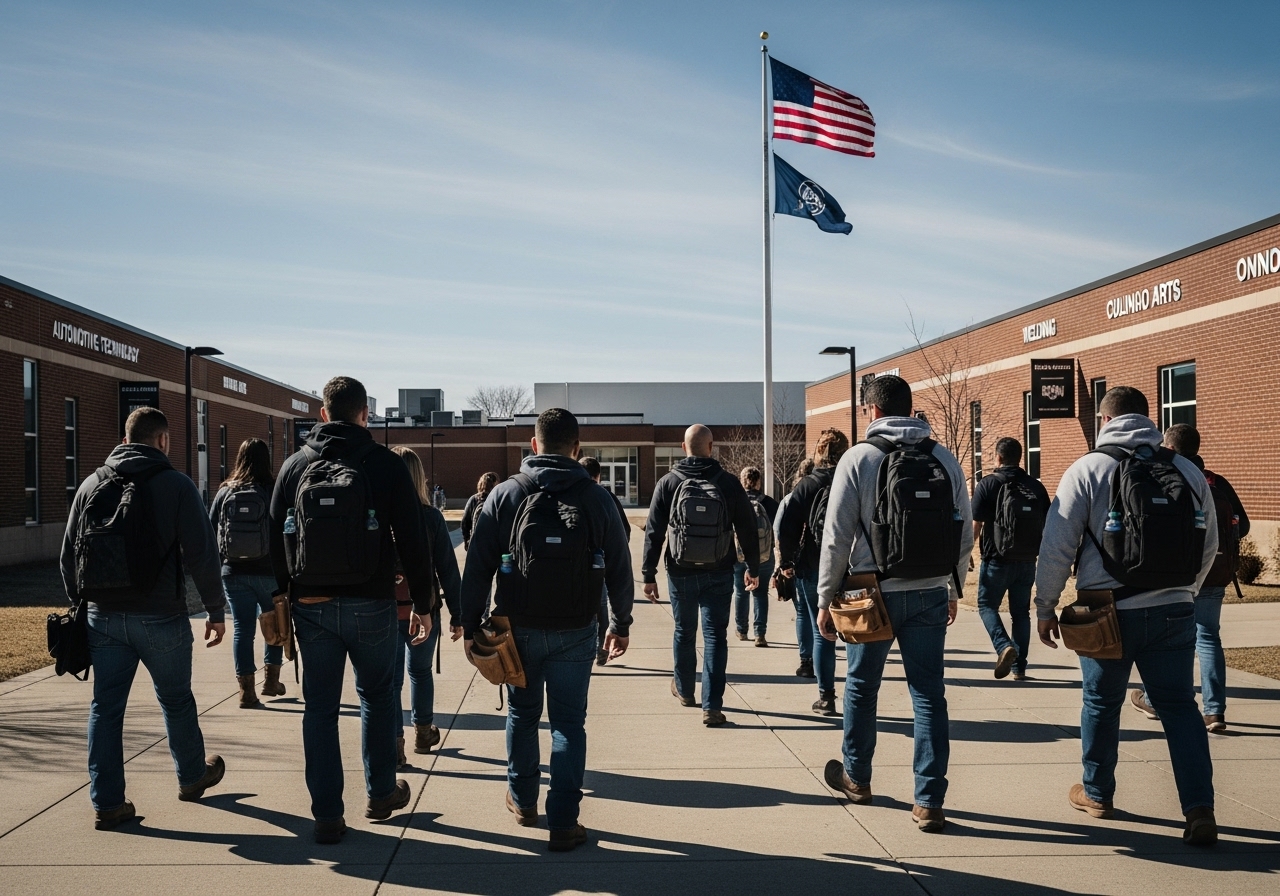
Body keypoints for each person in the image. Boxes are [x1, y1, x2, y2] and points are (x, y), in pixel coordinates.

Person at [1035, 386, 1219, 845]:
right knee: (1179, 708)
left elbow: (1057, 545)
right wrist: (1186, 591)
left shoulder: (1088, 469)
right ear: (1148, 418)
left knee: (1101, 703)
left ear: (1103, 419)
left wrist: (1045, 606)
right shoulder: (1184, 469)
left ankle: (1097, 793)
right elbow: (1209, 542)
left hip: (1105, 610)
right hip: (1173, 608)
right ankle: (1199, 809)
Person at [270, 376, 437, 844]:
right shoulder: (385, 465)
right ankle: (381, 793)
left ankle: (326, 814)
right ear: (365, 414)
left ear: (323, 414)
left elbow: (273, 536)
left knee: (319, 709)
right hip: (372, 602)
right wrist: (423, 604)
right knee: (378, 697)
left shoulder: (295, 466)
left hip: (311, 604)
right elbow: (413, 540)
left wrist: (282, 595)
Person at [461, 408, 634, 852]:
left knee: (521, 714)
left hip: (517, 627)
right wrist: (620, 622)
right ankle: (564, 820)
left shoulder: (505, 494)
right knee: (568, 725)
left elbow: (478, 565)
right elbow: (619, 565)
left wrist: (470, 623)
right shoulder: (596, 498)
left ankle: (522, 800)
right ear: (577, 449)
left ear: (533, 445)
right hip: (576, 628)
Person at [816, 375, 972, 833]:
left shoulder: (858, 458)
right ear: (909, 407)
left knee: (862, 688)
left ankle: (857, 777)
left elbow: (836, 536)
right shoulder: (943, 458)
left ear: (872, 411)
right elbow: (963, 530)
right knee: (928, 695)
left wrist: (826, 597)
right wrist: (953, 586)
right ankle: (929, 800)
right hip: (927, 590)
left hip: (870, 592)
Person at [61, 406, 228, 830]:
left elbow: (68, 558)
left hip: (103, 618)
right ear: (163, 441)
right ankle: (191, 776)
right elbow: (202, 554)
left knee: (106, 708)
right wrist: (214, 609)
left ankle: (107, 802)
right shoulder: (176, 485)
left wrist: (82, 606)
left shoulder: (90, 484)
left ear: (124, 439)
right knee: (175, 700)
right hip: (161, 617)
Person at [1130, 423, 1248, 733]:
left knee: (1162, 640)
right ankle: (1214, 712)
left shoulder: (1166, 476)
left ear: (1168, 446)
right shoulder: (1216, 482)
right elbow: (1243, 525)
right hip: (1214, 574)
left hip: (1176, 575)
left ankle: (1155, 699)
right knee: (1208, 638)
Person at [642, 424, 761, 727]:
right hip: (720, 569)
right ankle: (713, 706)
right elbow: (748, 526)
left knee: (684, 631)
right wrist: (753, 567)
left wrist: (648, 573)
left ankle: (684, 690)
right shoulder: (729, 483)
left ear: (684, 447)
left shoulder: (668, 482)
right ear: (712, 447)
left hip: (680, 571)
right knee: (715, 636)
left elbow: (654, 532)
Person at [390, 446, 463, 762]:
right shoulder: (432, 518)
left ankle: (395, 744)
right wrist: (459, 615)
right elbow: (448, 569)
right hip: (423, 609)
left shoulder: (380, 517)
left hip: (386, 609)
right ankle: (422, 731)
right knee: (419, 672)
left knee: (389, 682)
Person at [209, 438, 285, 708]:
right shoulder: (272, 490)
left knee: (243, 629)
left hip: (233, 572)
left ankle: (246, 692)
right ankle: (271, 681)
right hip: (268, 572)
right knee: (274, 626)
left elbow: (211, 531)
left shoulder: (225, 492)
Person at [778, 430, 849, 715]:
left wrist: (786, 562)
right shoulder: (853, 478)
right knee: (857, 633)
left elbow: (787, 527)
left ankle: (827, 696)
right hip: (851, 568)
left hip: (813, 567)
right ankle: (858, 695)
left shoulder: (807, 485)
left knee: (822, 634)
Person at [969, 437, 1050, 681]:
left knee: (986, 606)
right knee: (1021, 614)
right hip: (1027, 560)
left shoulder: (988, 484)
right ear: (1020, 457)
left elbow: (977, 523)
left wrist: (968, 553)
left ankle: (1003, 646)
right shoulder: (1035, 487)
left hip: (997, 559)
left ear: (998, 457)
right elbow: (1047, 524)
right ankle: (1020, 668)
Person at [580, 455, 632, 665]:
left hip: (575, 568)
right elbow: (624, 532)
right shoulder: (606, 497)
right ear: (598, 475)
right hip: (599, 565)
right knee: (601, 608)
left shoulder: (573, 494)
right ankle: (601, 649)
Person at [776, 459, 815, 678]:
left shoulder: (791, 499)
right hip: (826, 561)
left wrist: (783, 564)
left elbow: (780, 531)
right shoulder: (831, 489)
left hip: (800, 563)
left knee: (803, 612)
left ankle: (806, 659)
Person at [734, 466, 777, 647]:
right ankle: (760, 633)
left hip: (740, 556)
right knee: (760, 593)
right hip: (764, 556)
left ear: (742, 481)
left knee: (741, 592)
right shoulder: (770, 503)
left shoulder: (736, 502)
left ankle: (741, 630)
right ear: (759, 482)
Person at [461, 472, 498, 550]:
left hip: (475, 543)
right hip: (493, 545)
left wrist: (467, 541)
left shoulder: (474, 499)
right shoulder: (497, 499)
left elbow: (464, 522)